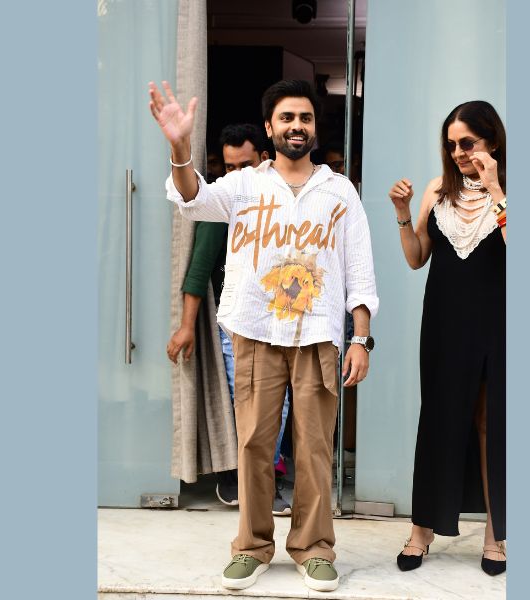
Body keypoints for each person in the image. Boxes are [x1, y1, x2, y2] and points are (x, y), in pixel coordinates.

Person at [149, 78, 379, 592]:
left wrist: (360, 337)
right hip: (256, 330)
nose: (297, 126)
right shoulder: (244, 185)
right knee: (254, 443)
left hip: (317, 334)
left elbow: (360, 269)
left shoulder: (339, 191)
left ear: (315, 128)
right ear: (270, 128)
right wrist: (180, 147)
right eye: (287, 118)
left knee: (314, 447)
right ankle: (252, 547)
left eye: (305, 118)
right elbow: (191, 198)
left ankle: (313, 548)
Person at [388, 100, 507, 576]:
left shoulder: (510, 190)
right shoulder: (438, 189)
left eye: (468, 143)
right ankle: (422, 530)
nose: (458, 152)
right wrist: (402, 213)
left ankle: (496, 535)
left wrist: (495, 187)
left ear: (492, 141)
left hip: (499, 321)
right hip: (443, 321)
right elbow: (417, 256)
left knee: (491, 423)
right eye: (451, 144)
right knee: (438, 418)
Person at [166, 123, 291, 516]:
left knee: (281, 404)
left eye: (245, 165)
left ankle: (263, 477)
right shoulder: (222, 200)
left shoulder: (287, 197)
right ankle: (245, 478)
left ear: (265, 158)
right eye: (229, 166)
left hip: (283, 319)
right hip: (235, 322)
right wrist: (187, 326)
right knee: (249, 401)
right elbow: (199, 268)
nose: (236, 174)